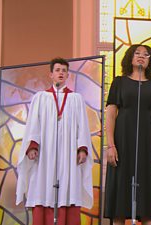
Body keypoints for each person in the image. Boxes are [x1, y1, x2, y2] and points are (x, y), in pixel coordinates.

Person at [16, 57, 94, 225]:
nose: (61, 73)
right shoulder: (41, 98)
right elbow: (33, 124)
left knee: (68, 188)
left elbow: (83, 126)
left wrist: (82, 149)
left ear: (67, 75)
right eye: (58, 70)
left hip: (68, 153)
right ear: (51, 74)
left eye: (64, 71)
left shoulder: (76, 99)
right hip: (45, 154)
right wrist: (32, 146)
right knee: (43, 185)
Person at [104, 44, 151, 225]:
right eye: (137, 53)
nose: (141, 56)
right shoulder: (119, 82)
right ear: (130, 58)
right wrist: (111, 145)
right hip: (122, 143)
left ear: (150, 61)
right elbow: (110, 114)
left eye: (146, 55)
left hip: (148, 145)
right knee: (119, 201)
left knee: (147, 199)